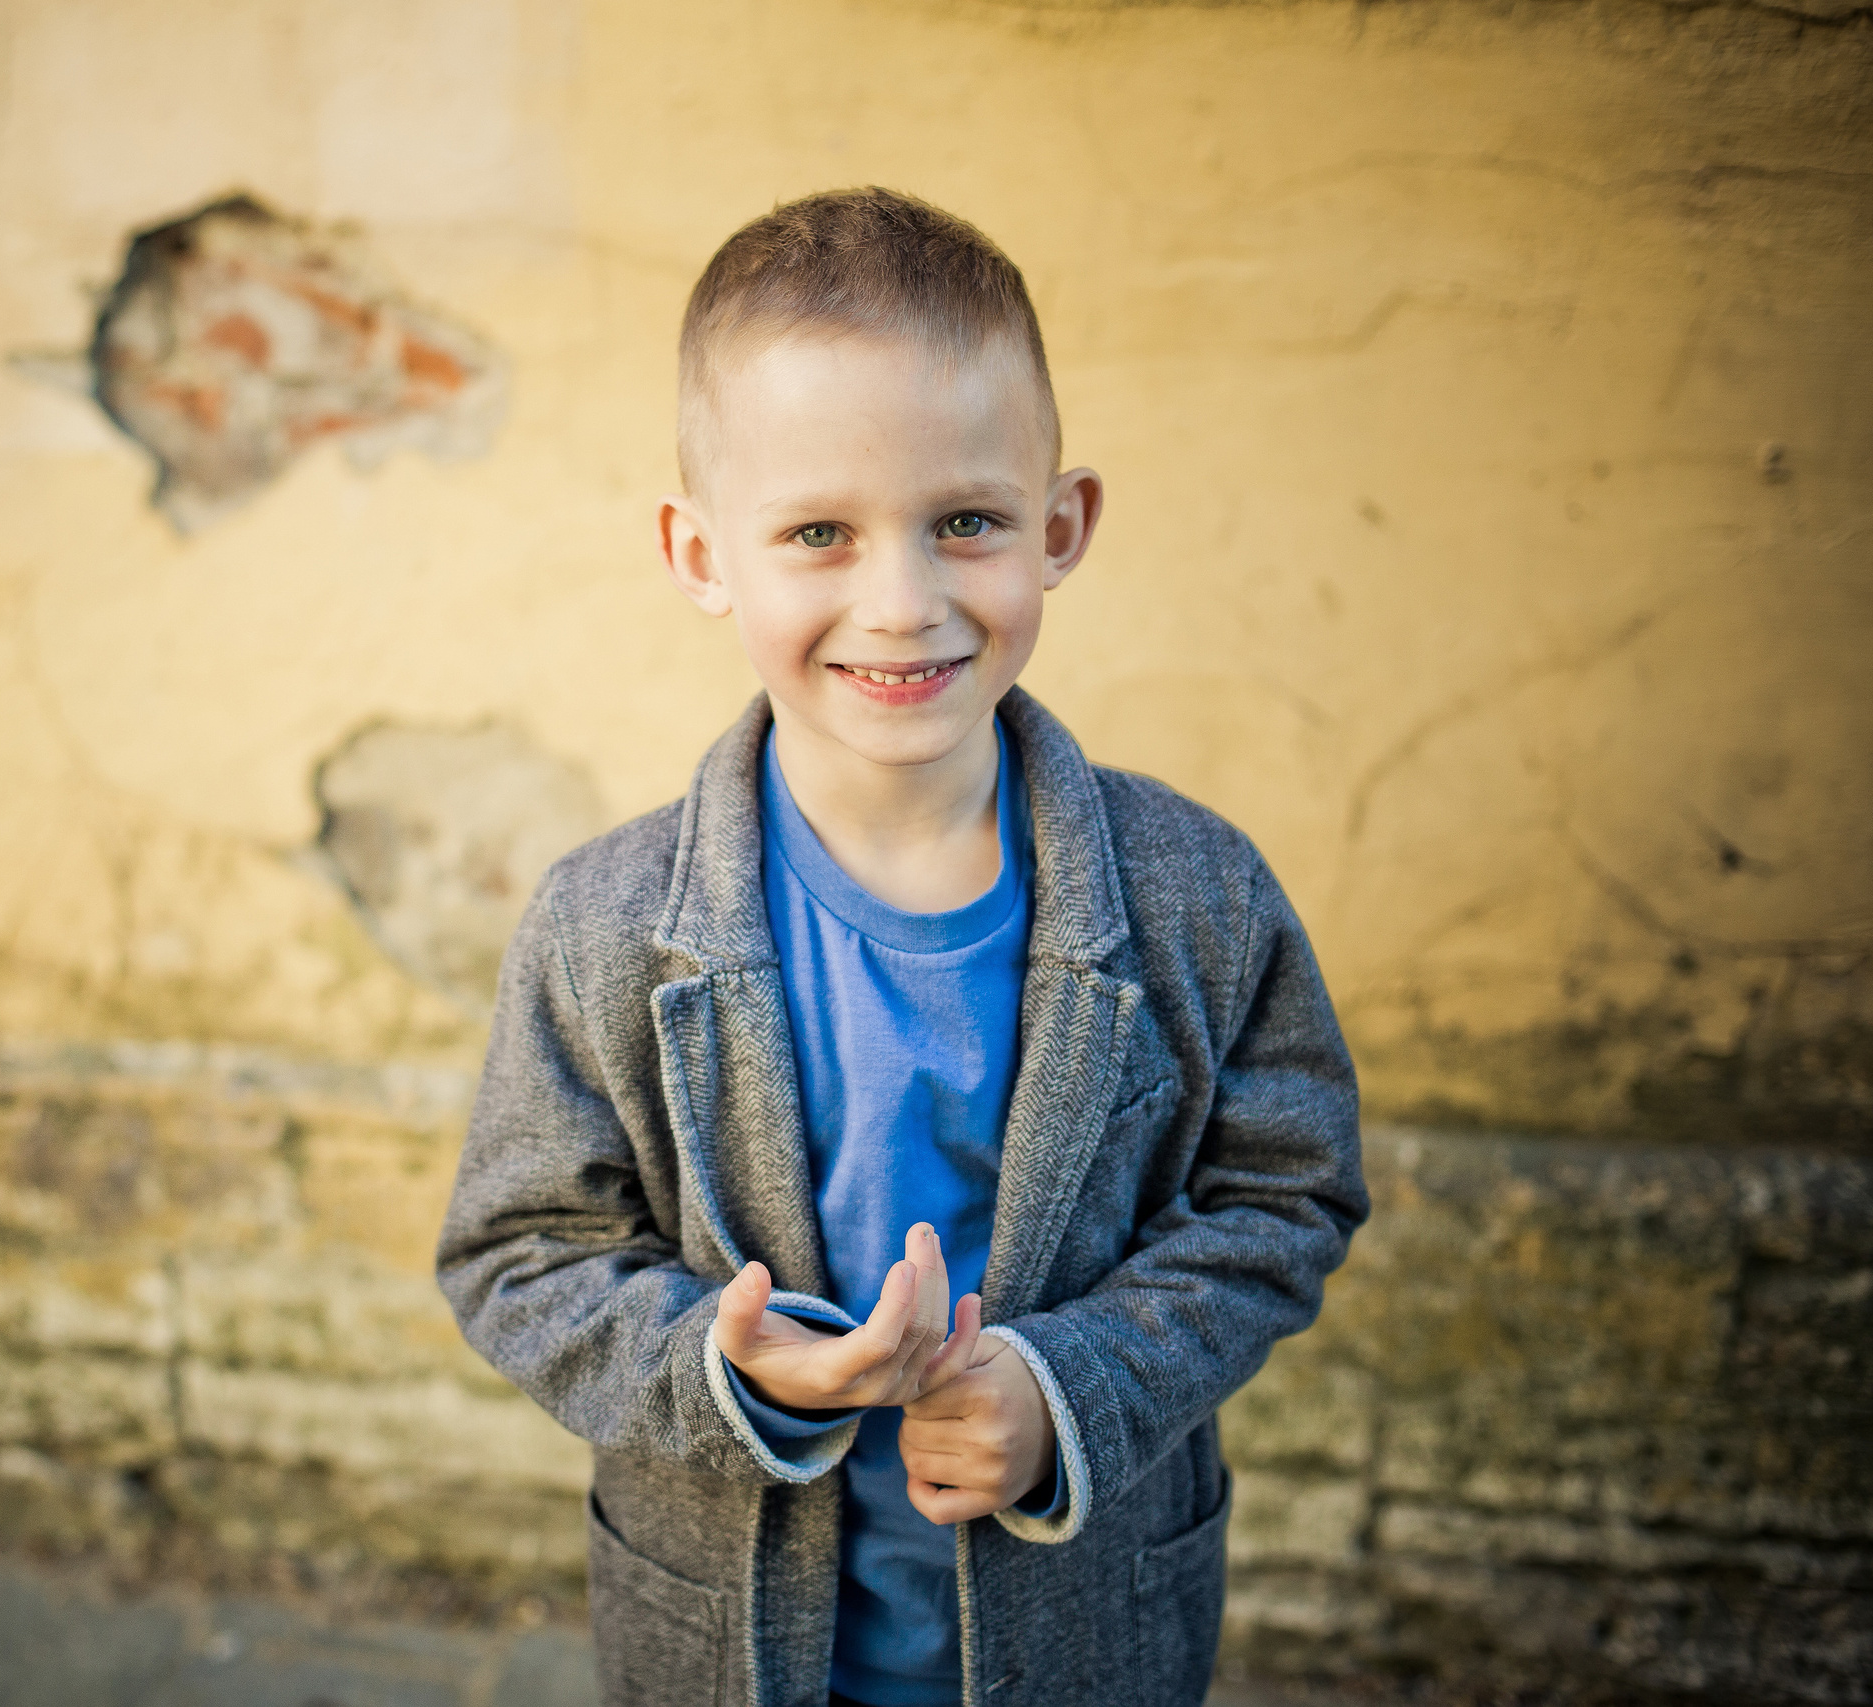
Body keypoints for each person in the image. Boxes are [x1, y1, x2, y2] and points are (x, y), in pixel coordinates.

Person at [435, 187, 1366, 1707]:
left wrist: (1073, 1389)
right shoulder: (604, 926)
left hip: (1087, 1638)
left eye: (967, 523)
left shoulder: (1197, 896)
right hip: (726, 1648)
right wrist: (726, 1371)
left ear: (1059, 528)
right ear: (699, 553)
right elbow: (519, 1251)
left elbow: (1287, 1191)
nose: (903, 600)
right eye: (818, 531)